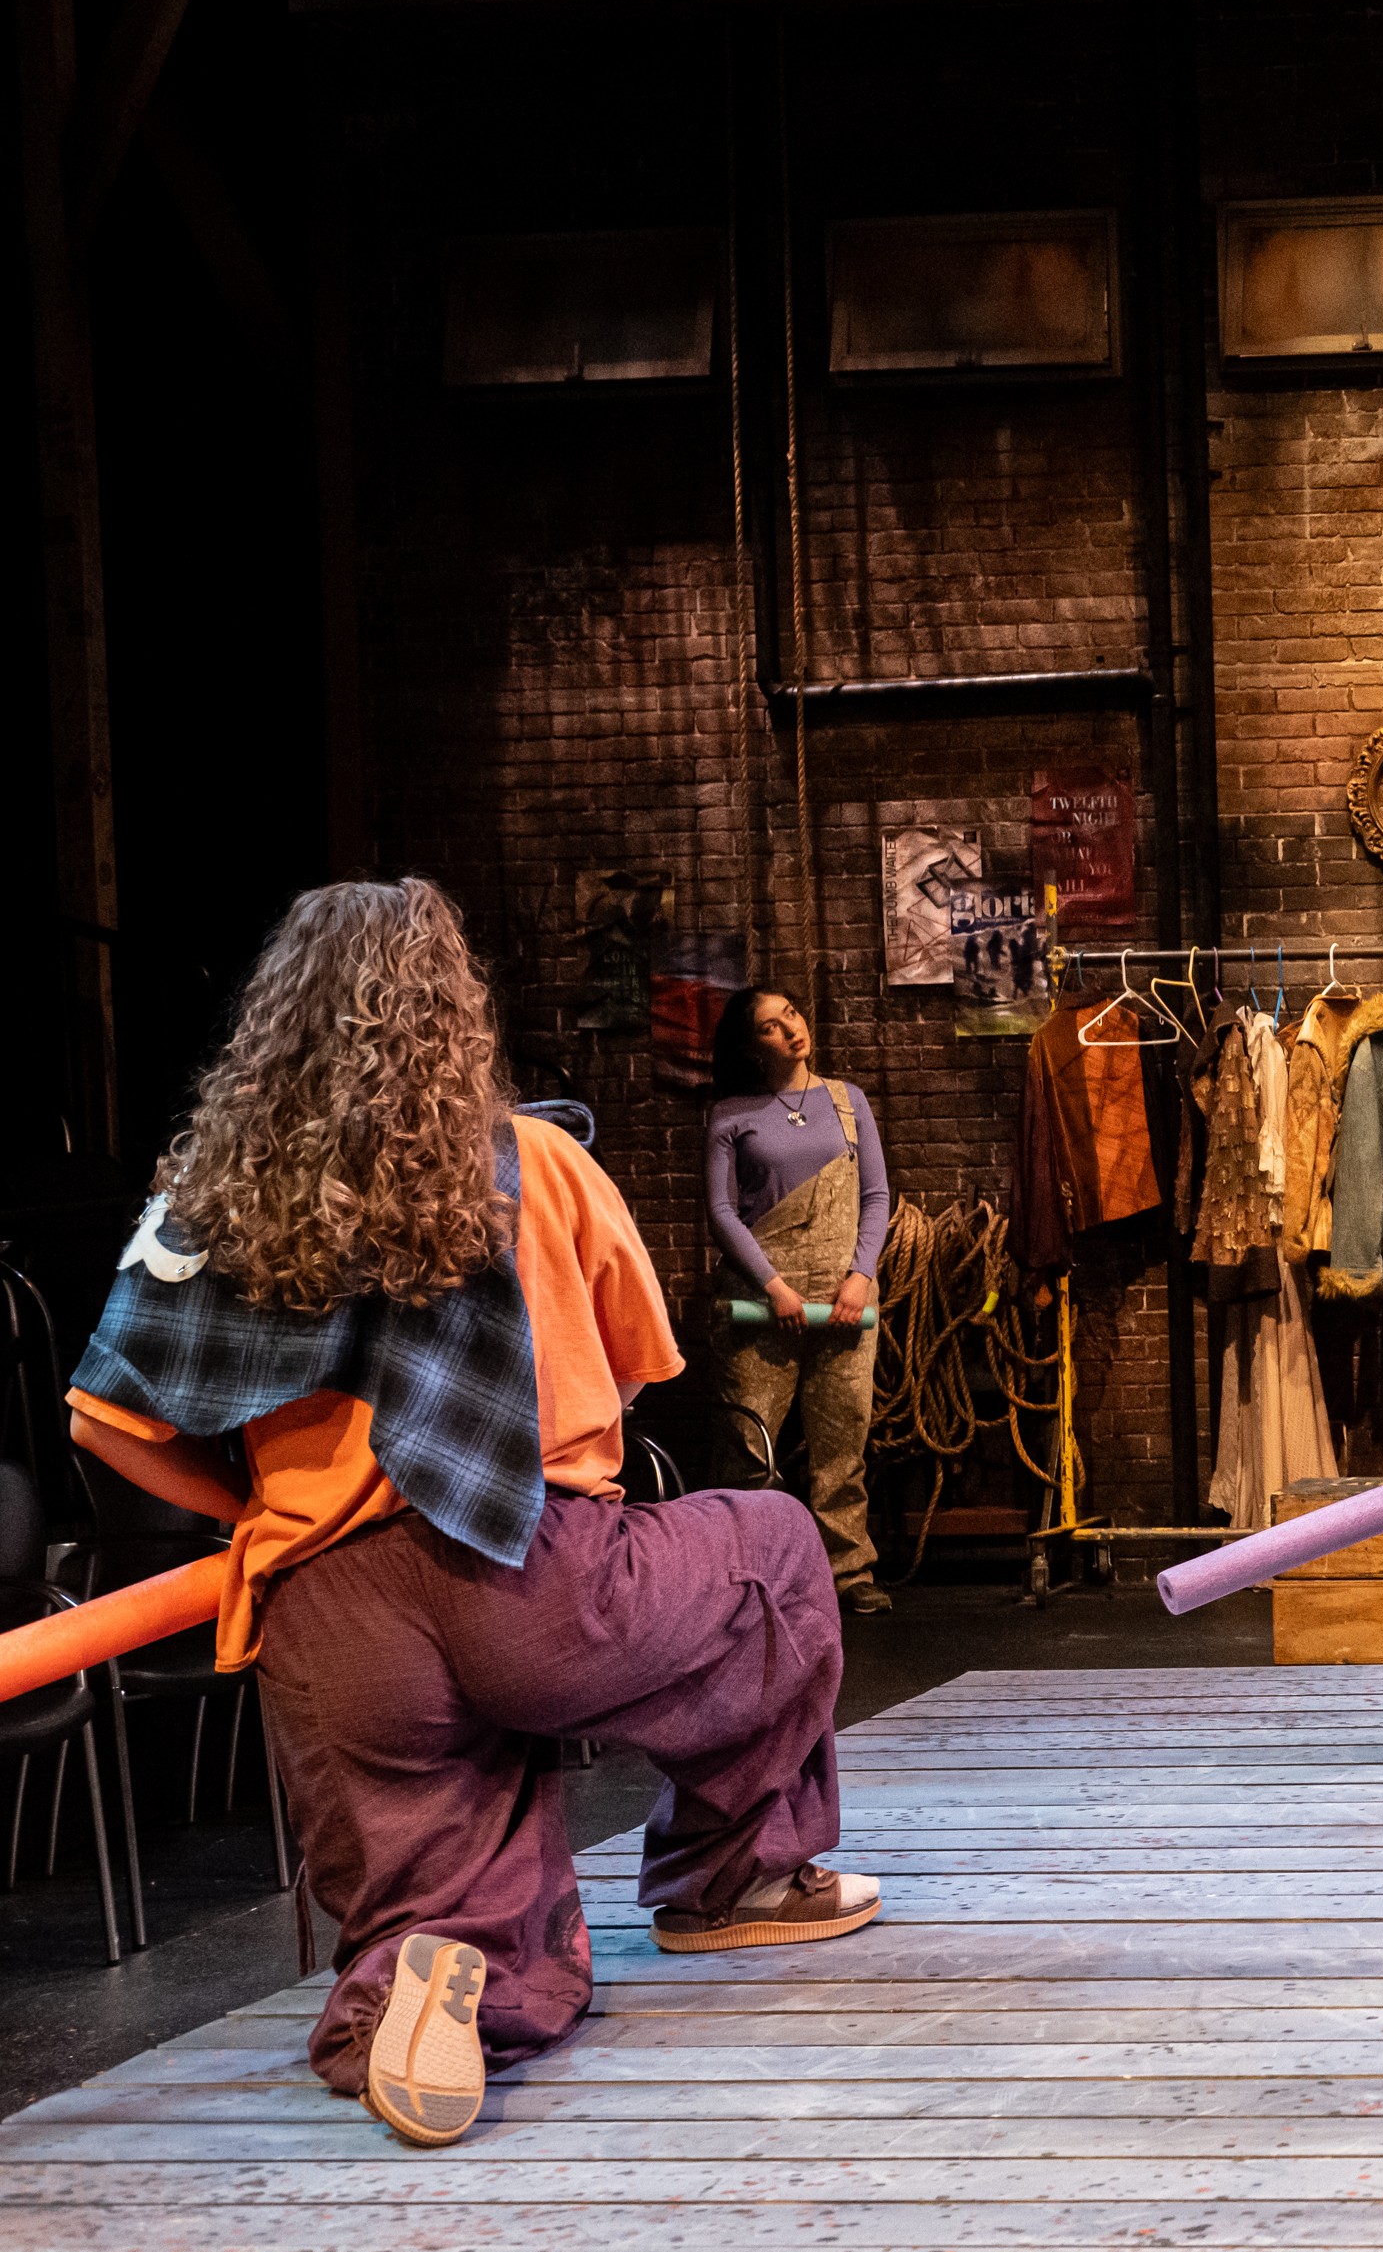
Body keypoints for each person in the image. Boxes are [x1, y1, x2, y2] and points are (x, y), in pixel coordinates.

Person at [65, 880, 876, 2153]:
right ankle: (738, 1879)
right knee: (769, 1547)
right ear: (453, 1015)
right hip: (533, 1579)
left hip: (332, 1621)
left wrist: (257, 1515)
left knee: (446, 1865)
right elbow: (635, 1366)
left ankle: (411, 1982)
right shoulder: (537, 1162)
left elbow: (101, 1422)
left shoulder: (210, 1201)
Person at [706, 985, 896, 1614]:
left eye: (790, 1014)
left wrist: (861, 1275)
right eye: (769, 1026)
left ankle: (850, 1573)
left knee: (842, 1443)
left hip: (845, 1300)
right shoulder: (730, 1113)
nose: (790, 1030)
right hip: (763, 1305)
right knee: (750, 1449)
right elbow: (722, 1210)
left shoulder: (848, 1102)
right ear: (748, 1044)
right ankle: (759, 1579)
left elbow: (875, 1197)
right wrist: (774, 1285)